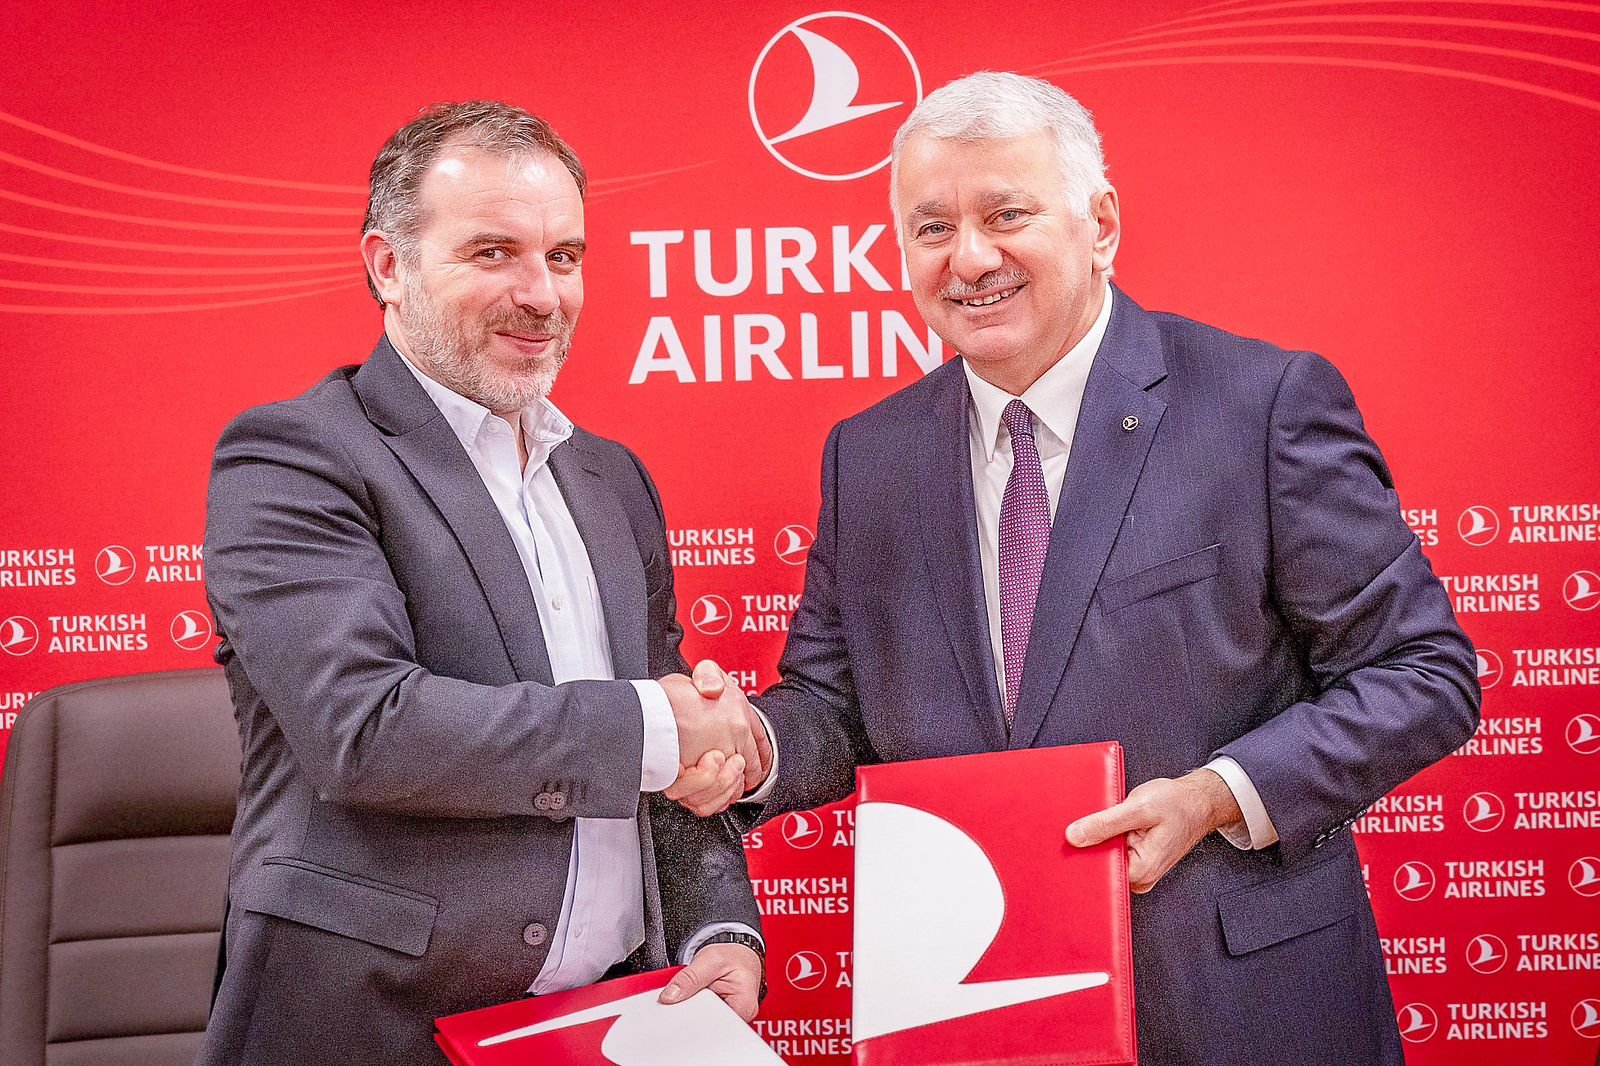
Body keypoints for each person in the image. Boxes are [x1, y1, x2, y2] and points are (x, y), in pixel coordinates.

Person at [728, 72, 1479, 1064]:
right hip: (975, 1005)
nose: (970, 258)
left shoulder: (1259, 406)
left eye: (1006, 215)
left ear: (1101, 225)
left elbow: (1423, 673)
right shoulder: (869, 455)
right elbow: (834, 704)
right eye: (932, 228)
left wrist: (1217, 794)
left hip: (1236, 1008)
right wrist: (747, 746)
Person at [199, 101, 767, 1065]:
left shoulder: (611, 478)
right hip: (374, 1029)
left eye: (564, 256)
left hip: (607, 1019)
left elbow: (665, 750)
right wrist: (659, 727)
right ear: (389, 266)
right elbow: (364, 729)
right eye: (494, 252)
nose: (542, 294)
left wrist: (718, 925)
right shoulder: (295, 456)